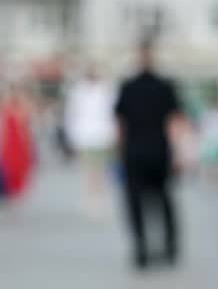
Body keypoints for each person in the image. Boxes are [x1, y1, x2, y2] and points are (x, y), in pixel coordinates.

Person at [114, 40, 181, 268]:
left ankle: (150, 248)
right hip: (154, 152)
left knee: (146, 202)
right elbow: (173, 122)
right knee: (162, 201)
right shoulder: (161, 86)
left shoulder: (130, 87)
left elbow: (120, 124)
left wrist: (120, 152)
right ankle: (161, 248)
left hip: (141, 153)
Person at [65, 66, 116, 219]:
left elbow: (112, 113)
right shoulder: (78, 91)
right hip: (85, 136)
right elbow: (72, 115)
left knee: (100, 169)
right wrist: (72, 136)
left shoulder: (107, 89)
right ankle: (91, 198)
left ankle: (100, 197)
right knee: (89, 169)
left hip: (103, 135)